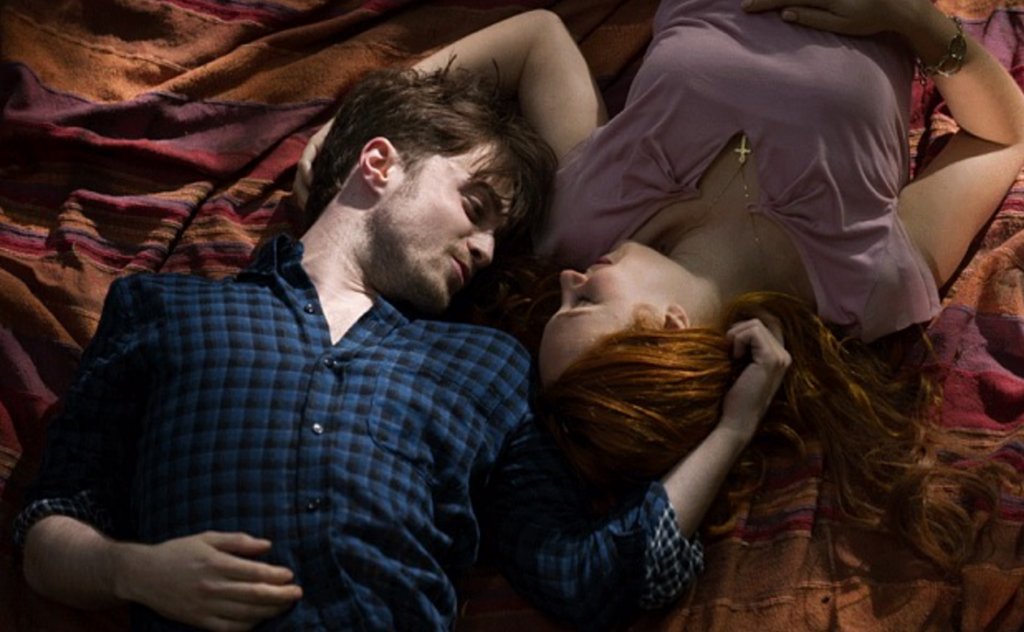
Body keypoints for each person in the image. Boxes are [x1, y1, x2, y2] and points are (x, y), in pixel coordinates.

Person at [13, 60, 792, 632]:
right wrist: (133, 570)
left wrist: (734, 426)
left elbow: (588, 579)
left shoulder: (488, 368)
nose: (486, 249)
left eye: (498, 235)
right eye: (476, 206)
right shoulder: (164, 308)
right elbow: (48, 527)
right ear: (379, 164)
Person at [295, 0, 1024, 576]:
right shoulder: (863, 282)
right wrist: (911, 19)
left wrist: (371, 111)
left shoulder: (579, 221)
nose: (568, 279)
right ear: (669, 325)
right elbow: (1003, 136)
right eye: (585, 302)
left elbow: (539, 39)